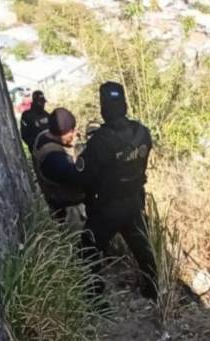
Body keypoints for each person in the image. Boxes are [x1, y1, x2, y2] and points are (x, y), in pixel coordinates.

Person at [75, 81, 157, 300]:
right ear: (124, 105)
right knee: (143, 250)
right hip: (134, 201)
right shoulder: (142, 133)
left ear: (104, 108)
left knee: (87, 251)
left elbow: (84, 177)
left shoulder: (100, 142)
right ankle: (154, 293)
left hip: (107, 207)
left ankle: (96, 300)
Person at [31, 108, 85, 222]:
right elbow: (76, 178)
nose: (74, 133)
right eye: (71, 131)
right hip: (67, 210)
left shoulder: (44, 135)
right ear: (61, 134)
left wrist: (69, 144)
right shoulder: (53, 159)